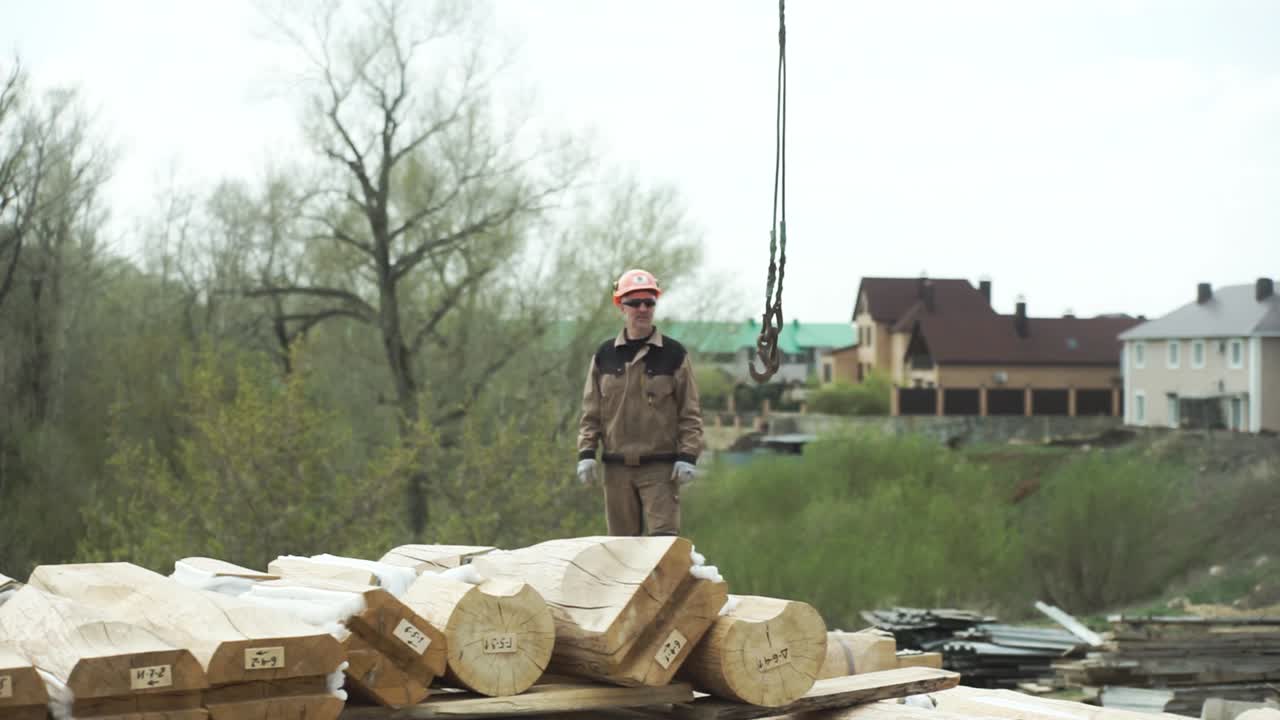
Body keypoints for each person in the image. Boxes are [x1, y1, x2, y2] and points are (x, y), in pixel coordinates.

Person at [576, 268, 704, 536]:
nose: (643, 308)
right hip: (616, 469)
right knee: (621, 551)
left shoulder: (674, 354)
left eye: (649, 302)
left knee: (664, 549)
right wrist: (586, 454)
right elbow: (591, 412)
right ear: (621, 306)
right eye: (634, 303)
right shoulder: (605, 355)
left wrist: (688, 456)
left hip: (660, 469)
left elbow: (690, 412)